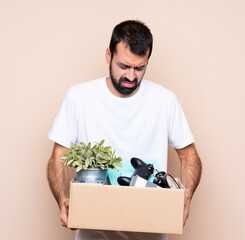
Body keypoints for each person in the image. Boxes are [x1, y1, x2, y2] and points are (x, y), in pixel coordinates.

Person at [47, 20, 202, 240]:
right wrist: (62, 198)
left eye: (139, 68)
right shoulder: (79, 97)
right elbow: (57, 157)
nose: (131, 76)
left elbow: (190, 157)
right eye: (124, 66)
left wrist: (185, 199)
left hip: (151, 232)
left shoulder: (165, 100)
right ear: (108, 56)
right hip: (94, 233)